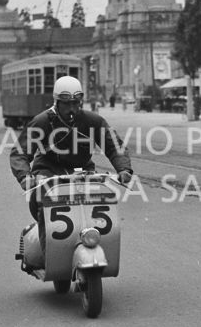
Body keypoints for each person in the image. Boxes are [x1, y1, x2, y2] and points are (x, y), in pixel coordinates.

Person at [9, 76, 133, 253]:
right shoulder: (42, 122)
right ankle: (49, 254)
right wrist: (24, 176)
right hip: (48, 172)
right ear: (57, 102)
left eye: (76, 103)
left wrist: (123, 169)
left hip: (82, 171)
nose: (72, 108)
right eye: (66, 104)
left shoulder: (93, 121)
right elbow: (20, 152)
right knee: (43, 201)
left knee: (99, 198)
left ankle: (96, 241)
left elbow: (114, 145)